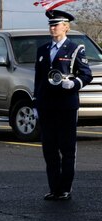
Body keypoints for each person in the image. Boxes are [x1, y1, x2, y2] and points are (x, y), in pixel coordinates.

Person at [34, 10, 92, 201]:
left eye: (56, 25)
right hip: (47, 106)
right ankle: (54, 188)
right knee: (49, 149)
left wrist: (74, 84)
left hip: (66, 105)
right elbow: (39, 79)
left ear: (66, 27)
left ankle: (65, 188)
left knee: (67, 149)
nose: (52, 28)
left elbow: (86, 74)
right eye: (51, 25)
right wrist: (36, 103)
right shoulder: (42, 50)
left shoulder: (75, 49)